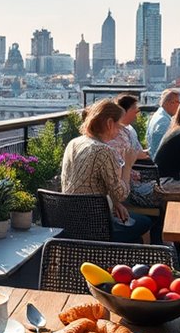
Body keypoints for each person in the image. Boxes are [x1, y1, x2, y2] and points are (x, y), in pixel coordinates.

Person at [62, 98, 152, 243]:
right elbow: (121, 194)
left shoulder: (74, 143)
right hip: (96, 225)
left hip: (71, 220)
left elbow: (88, 183)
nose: (120, 130)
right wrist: (128, 165)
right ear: (110, 123)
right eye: (119, 125)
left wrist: (115, 203)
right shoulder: (103, 150)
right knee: (145, 222)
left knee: (131, 224)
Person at [146, 89, 180, 156]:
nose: (179, 105)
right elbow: (167, 147)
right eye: (177, 102)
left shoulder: (158, 115)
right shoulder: (163, 121)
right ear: (167, 103)